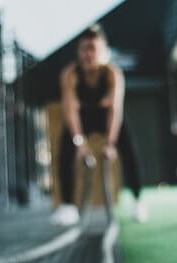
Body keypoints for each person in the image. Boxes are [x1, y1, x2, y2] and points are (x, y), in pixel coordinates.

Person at [50, 24, 148, 226]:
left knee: (129, 148)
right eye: (84, 49)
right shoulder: (70, 75)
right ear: (79, 52)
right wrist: (80, 144)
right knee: (65, 148)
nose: (88, 54)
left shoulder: (112, 74)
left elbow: (115, 111)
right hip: (82, 118)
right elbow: (70, 112)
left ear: (103, 51)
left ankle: (138, 201)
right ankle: (68, 206)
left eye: (92, 48)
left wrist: (111, 144)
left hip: (106, 119)